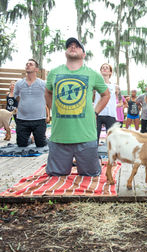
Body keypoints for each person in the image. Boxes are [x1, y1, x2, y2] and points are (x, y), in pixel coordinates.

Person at [45, 37, 110, 177]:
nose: (72, 47)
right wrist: (54, 109)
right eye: (69, 45)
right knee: (56, 175)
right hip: (59, 137)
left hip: (86, 136)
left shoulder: (93, 74)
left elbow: (106, 95)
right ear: (65, 52)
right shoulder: (54, 72)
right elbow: (48, 92)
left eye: (77, 46)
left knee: (90, 175)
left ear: (84, 54)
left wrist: (96, 112)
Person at [14, 59, 48, 147]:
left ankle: (38, 138)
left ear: (36, 69)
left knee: (41, 144)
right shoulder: (19, 83)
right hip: (22, 119)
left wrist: (47, 115)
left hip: (39, 119)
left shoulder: (43, 84)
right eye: (27, 64)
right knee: (21, 145)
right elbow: (16, 96)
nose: (28, 65)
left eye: (31, 64)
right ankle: (30, 139)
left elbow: (49, 97)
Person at [94, 63, 117, 143]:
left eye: (107, 68)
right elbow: (92, 99)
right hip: (98, 114)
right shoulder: (95, 85)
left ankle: (111, 155)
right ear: (100, 71)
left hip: (110, 114)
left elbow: (120, 101)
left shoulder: (115, 87)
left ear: (110, 72)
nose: (104, 69)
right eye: (102, 68)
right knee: (94, 138)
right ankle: (94, 155)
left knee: (112, 139)